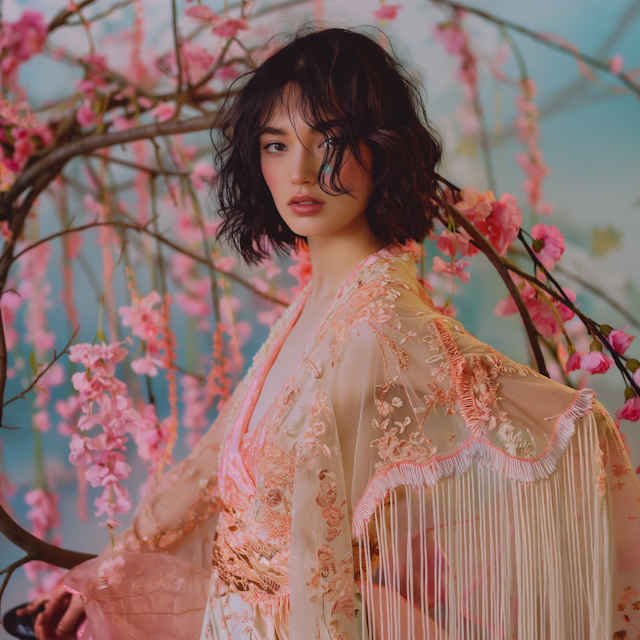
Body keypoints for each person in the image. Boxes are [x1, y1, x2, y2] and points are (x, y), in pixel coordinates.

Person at [17, 26, 640, 640]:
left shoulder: (385, 325)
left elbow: (568, 429)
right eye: (276, 144)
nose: (302, 171)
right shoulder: (320, 301)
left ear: (382, 145)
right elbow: (211, 466)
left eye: (330, 140)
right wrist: (109, 570)